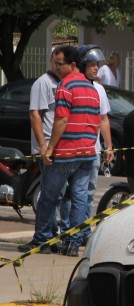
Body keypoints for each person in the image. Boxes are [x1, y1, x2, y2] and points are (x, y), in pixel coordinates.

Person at [19, 45, 101, 257]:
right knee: (79, 198)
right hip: (87, 153)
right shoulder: (92, 89)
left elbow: (62, 119)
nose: (57, 68)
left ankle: (43, 240)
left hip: (65, 153)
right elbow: (95, 123)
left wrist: (50, 148)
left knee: (49, 197)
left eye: (60, 64)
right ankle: (73, 243)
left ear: (72, 65)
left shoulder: (65, 86)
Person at [76, 45, 115, 247]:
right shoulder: (74, 85)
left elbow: (104, 119)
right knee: (74, 194)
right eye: (91, 64)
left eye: (97, 65)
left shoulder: (99, 89)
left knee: (89, 192)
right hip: (75, 151)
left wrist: (108, 146)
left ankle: (83, 232)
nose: (96, 68)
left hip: (94, 151)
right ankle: (73, 232)